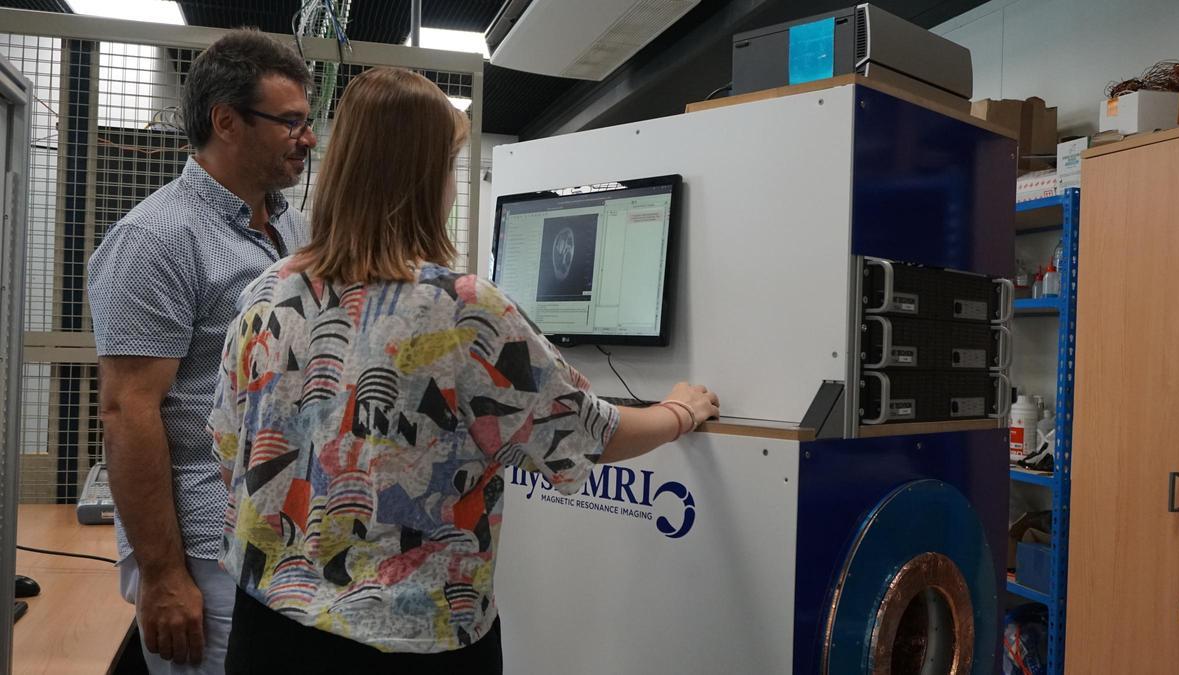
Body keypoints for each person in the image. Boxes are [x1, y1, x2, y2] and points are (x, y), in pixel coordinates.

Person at [208, 66, 719, 674]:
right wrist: (679, 412)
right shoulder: (462, 308)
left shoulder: (268, 291)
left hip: (266, 629)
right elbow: (596, 434)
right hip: (412, 638)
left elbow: (229, 443)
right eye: (450, 165)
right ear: (427, 177)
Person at [87, 29, 315, 673]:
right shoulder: (155, 239)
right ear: (227, 122)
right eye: (290, 122)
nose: (309, 137)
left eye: (307, 120)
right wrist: (163, 578)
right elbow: (130, 413)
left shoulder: (290, 227)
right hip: (204, 548)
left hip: (277, 536)